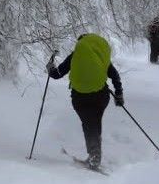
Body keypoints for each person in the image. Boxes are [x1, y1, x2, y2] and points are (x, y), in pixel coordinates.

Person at [47, 34, 124, 169]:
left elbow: (57, 74)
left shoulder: (75, 56)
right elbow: (115, 75)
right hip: (101, 96)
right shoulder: (100, 56)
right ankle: (95, 155)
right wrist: (119, 94)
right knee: (95, 123)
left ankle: (94, 157)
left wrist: (50, 67)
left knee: (89, 124)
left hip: (80, 98)